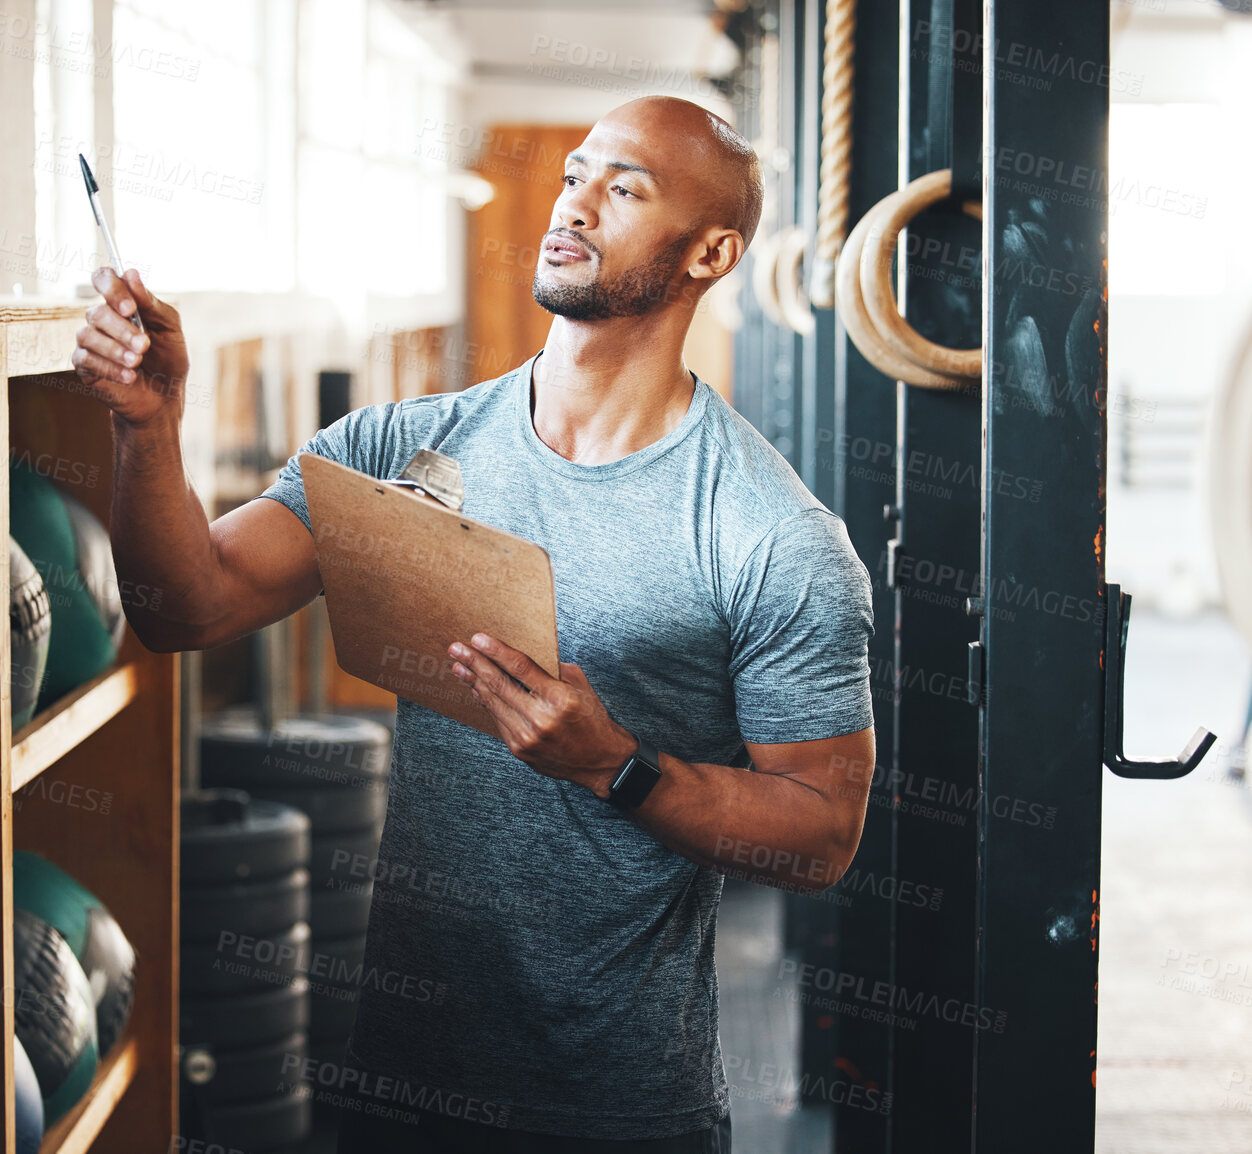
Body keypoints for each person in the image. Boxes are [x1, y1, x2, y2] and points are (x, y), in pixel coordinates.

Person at [73, 95, 876, 1154]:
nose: (576, 204)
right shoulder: (399, 446)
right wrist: (148, 425)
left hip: (616, 1107)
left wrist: (616, 767)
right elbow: (187, 607)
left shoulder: (769, 535)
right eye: (576, 173)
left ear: (711, 252)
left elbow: (821, 833)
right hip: (399, 1086)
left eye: (624, 188)